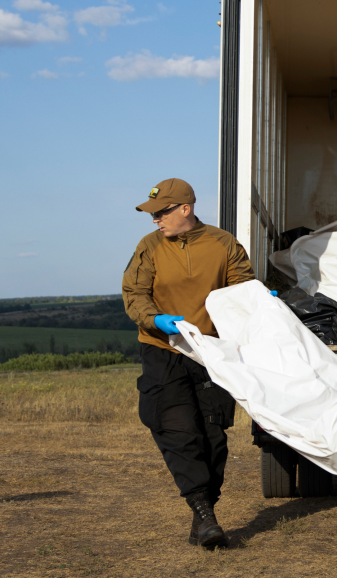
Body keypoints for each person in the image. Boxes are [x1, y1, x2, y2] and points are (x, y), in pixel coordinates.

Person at [122, 178, 255, 549]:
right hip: (163, 349)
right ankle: (205, 513)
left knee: (213, 437)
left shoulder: (223, 243)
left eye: (161, 213)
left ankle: (202, 516)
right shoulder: (149, 247)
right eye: (153, 214)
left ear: (186, 209)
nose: (155, 221)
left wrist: (257, 300)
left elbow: (240, 288)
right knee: (179, 431)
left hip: (210, 352)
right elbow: (134, 294)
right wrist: (155, 320)